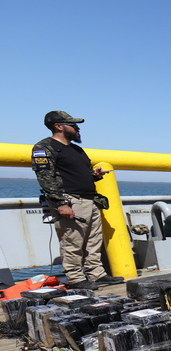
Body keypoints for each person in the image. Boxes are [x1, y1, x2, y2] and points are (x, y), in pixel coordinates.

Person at [32, 111, 123, 290]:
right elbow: (45, 177)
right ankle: (75, 278)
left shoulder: (76, 149)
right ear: (59, 126)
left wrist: (94, 176)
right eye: (72, 125)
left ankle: (96, 274)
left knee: (93, 240)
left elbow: (76, 173)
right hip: (70, 200)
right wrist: (60, 204)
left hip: (89, 200)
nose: (77, 128)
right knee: (72, 240)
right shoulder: (44, 147)